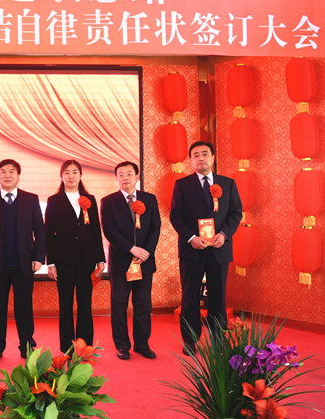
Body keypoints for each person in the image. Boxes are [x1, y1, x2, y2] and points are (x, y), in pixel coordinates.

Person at [170, 141, 242, 355]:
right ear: (190, 160)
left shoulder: (228, 184)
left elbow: (236, 213)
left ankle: (218, 341)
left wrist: (224, 234)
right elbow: (175, 215)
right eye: (195, 155)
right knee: (190, 297)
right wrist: (191, 237)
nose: (200, 158)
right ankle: (190, 341)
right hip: (192, 249)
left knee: (218, 297)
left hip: (219, 249)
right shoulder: (182, 185)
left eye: (204, 154)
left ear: (212, 157)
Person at [0, 159, 45, 364]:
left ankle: (27, 347)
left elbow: (40, 231)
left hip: (24, 264)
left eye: (12, 171)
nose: (7, 175)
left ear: (18, 176)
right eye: (3, 172)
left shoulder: (31, 199)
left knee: (24, 308)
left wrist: (38, 257)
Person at [100, 161, 161, 360]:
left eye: (129, 174)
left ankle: (142, 344)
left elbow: (155, 227)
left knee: (143, 305)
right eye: (121, 175)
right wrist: (132, 249)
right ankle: (122, 345)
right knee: (119, 305)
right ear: (116, 178)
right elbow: (109, 230)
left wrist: (146, 252)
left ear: (137, 177)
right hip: (121, 262)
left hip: (144, 262)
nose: (125, 178)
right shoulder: (108, 201)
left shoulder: (149, 199)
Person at [45, 160, 105, 352]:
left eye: (74, 172)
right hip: (63, 260)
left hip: (87, 259)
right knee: (66, 305)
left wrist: (101, 258)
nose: (71, 176)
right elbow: (49, 233)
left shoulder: (90, 199)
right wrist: (50, 262)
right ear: (61, 176)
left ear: (80, 175)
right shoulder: (54, 201)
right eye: (67, 173)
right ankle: (67, 347)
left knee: (85, 304)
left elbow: (96, 229)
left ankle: (84, 346)